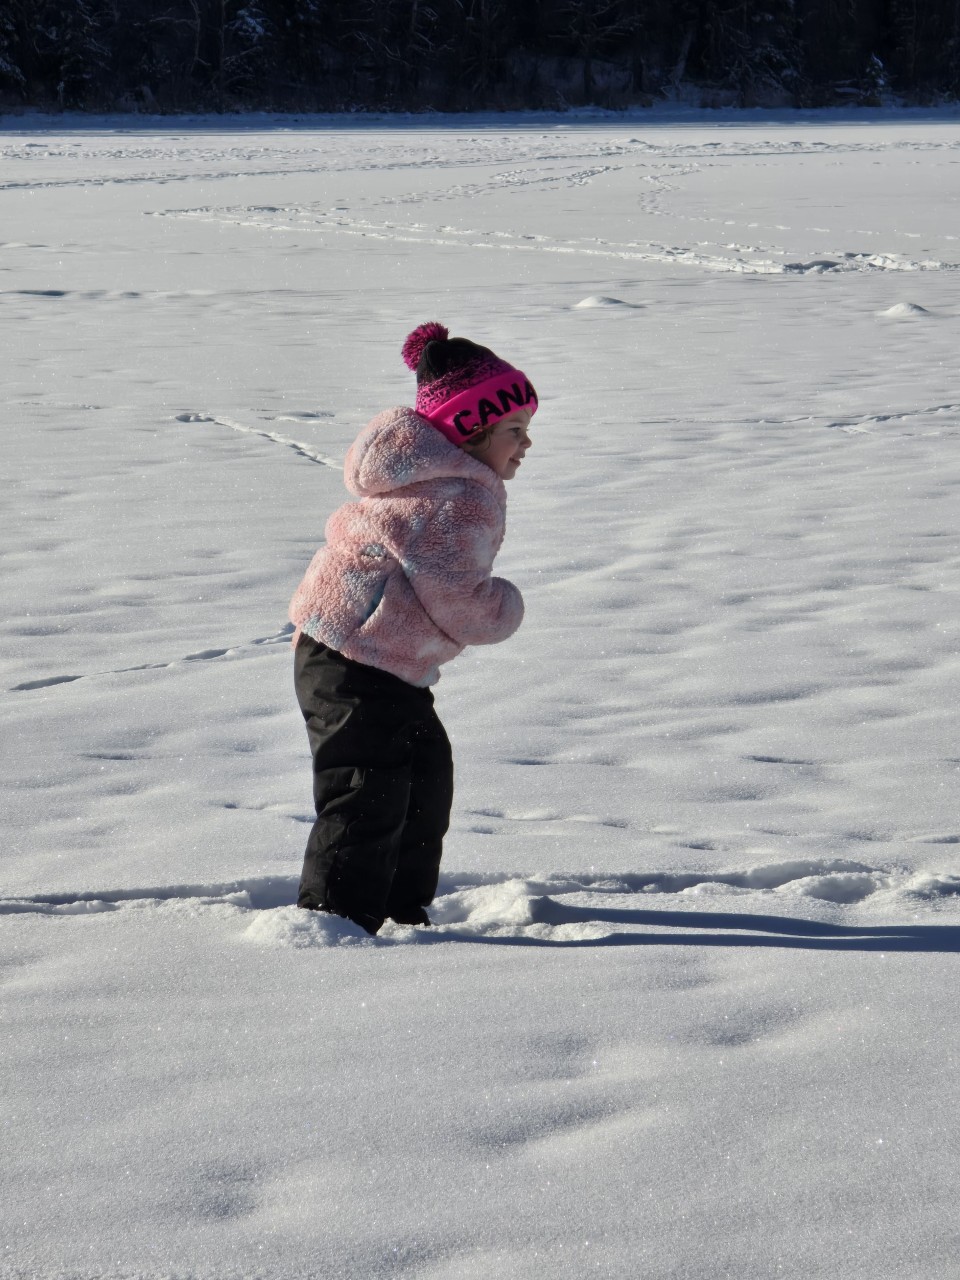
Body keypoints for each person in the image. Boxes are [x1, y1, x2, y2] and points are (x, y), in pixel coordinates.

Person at [288, 322, 536, 935]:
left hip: (369, 655)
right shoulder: (455, 499)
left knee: (424, 776)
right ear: (471, 429)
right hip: (357, 658)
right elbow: (456, 598)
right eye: (514, 431)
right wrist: (503, 606)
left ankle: (401, 906)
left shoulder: (437, 480)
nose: (526, 444)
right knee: (366, 789)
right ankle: (337, 920)